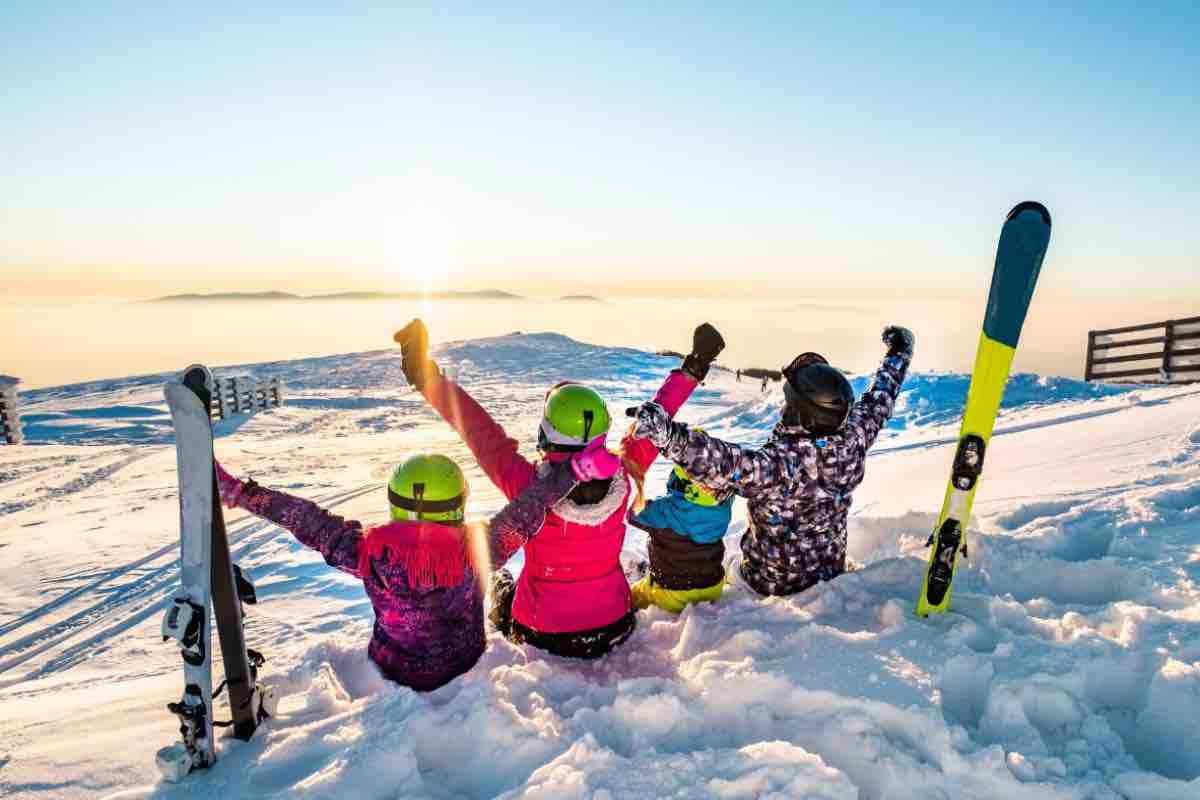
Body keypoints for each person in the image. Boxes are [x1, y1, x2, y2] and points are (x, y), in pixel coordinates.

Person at [396, 319, 725, 659]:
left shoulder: (529, 488)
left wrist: (427, 378)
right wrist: (695, 365)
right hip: (614, 623)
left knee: (502, 586)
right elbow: (657, 417)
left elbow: (479, 432)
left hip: (542, 632)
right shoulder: (625, 476)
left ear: (547, 431)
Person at [213, 439, 620, 691]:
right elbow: (528, 509)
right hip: (463, 661)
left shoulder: (368, 552)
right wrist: (575, 470)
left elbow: (308, 520)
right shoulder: (479, 550)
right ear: (457, 503)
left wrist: (242, 494)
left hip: (394, 668)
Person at [630, 326, 914, 597]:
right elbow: (879, 401)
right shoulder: (853, 440)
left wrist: (668, 436)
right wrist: (898, 354)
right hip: (829, 571)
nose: (783, 409)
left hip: (769, 583)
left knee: (728, 570)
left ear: (801, 413)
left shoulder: (780, 465)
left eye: (789, 403)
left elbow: (722, 462)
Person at [627, 431, 734, 613]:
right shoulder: (723, 505)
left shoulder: (664, 510)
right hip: (713, 587)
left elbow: (632, 514)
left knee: (633, 595)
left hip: (672, 594)